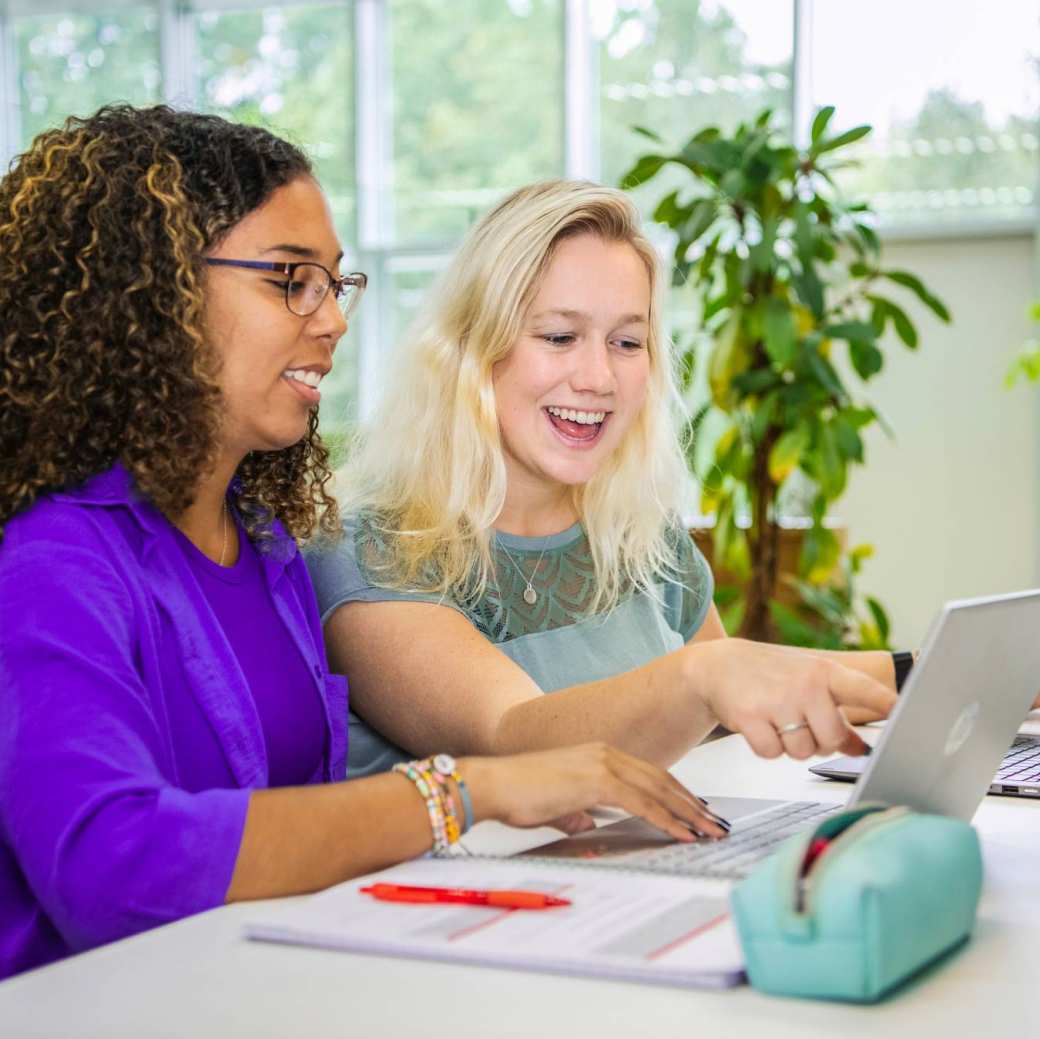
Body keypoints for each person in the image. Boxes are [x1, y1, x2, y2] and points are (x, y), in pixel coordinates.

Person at [0, 109, 723, 980]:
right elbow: (113, 862)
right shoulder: (49, 564)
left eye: (336, 285)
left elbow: (301, 827)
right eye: (289, 280)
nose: (332, 320)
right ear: (153, 293)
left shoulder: (265, 548)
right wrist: (465, 790)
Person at [306, 179, 899, 780]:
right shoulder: (370, 548)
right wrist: (703, 676)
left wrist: (914, 671)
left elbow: (736, 693)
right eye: (560, 337)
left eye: (626, 342)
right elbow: (511, 735)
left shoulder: (636, 531)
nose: (599, 377)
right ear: (471, 349)